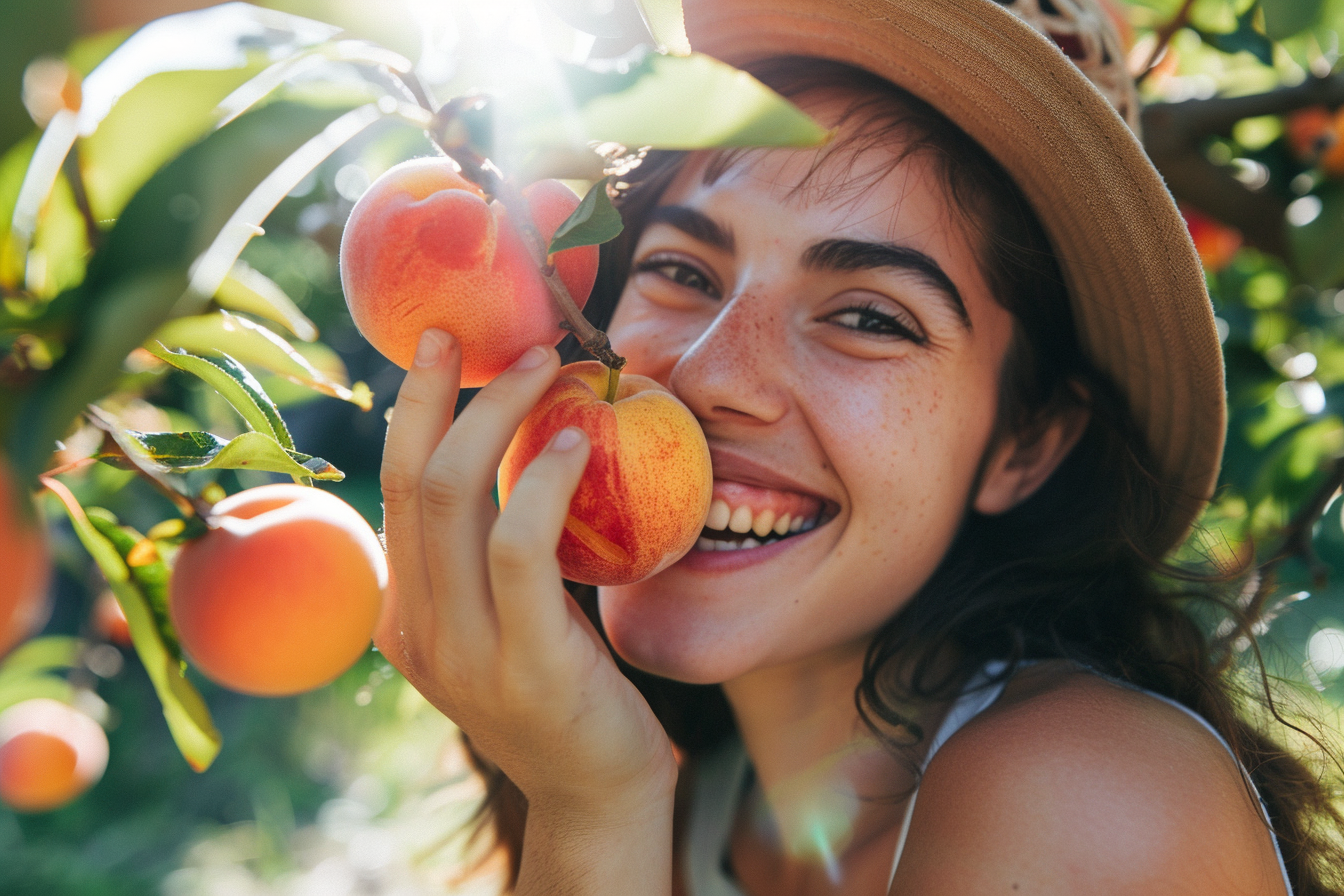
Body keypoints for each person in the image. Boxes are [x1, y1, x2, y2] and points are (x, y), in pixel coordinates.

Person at [373, 0, 1344, 892]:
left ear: (1027, 442)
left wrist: (592, 816)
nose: (713, 378)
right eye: (679, 268)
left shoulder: (1085, 798)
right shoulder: (688, 798)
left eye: (871, 317)